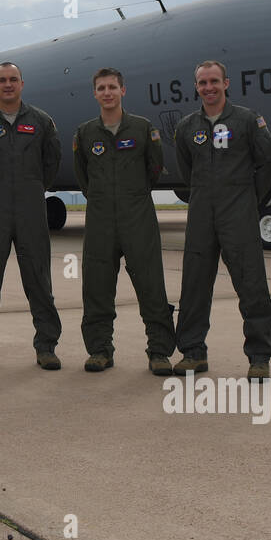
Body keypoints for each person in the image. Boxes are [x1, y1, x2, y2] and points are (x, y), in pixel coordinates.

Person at [172, 61, 271, 378]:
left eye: (214, 81)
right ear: (197, 87)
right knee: (194, 285)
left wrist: (247, 197)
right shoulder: (187, 127)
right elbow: (185, 168)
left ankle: (259, 357)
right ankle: (193, 352)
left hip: (239, 213)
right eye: (203, 83)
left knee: (251, 284)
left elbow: (268, 160)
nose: (209, 87)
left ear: (226, 83)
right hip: (202, 212)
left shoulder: (247, 120)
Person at [73, 68, 177, 373]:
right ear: (95, 93)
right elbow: (83, 177)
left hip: (138, 218)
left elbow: (154, 169)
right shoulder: (86, 133)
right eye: (101, 88)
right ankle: (100, 350)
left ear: (123, 91)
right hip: (100, 220)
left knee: (151, 286)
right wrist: (103, 198)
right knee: (97, 288)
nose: (107, 93)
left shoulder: (143, 129)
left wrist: (132, 196)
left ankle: (159, 351)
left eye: (112, 87)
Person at [0, 62, 63, 370]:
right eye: (2, 80)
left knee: (39, 281)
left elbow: (52, 162)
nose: (8, 84)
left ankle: (46, 346)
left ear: (22, 84)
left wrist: (31, 188)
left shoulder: (42, 122)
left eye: (13, 80)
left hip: (31, 211)